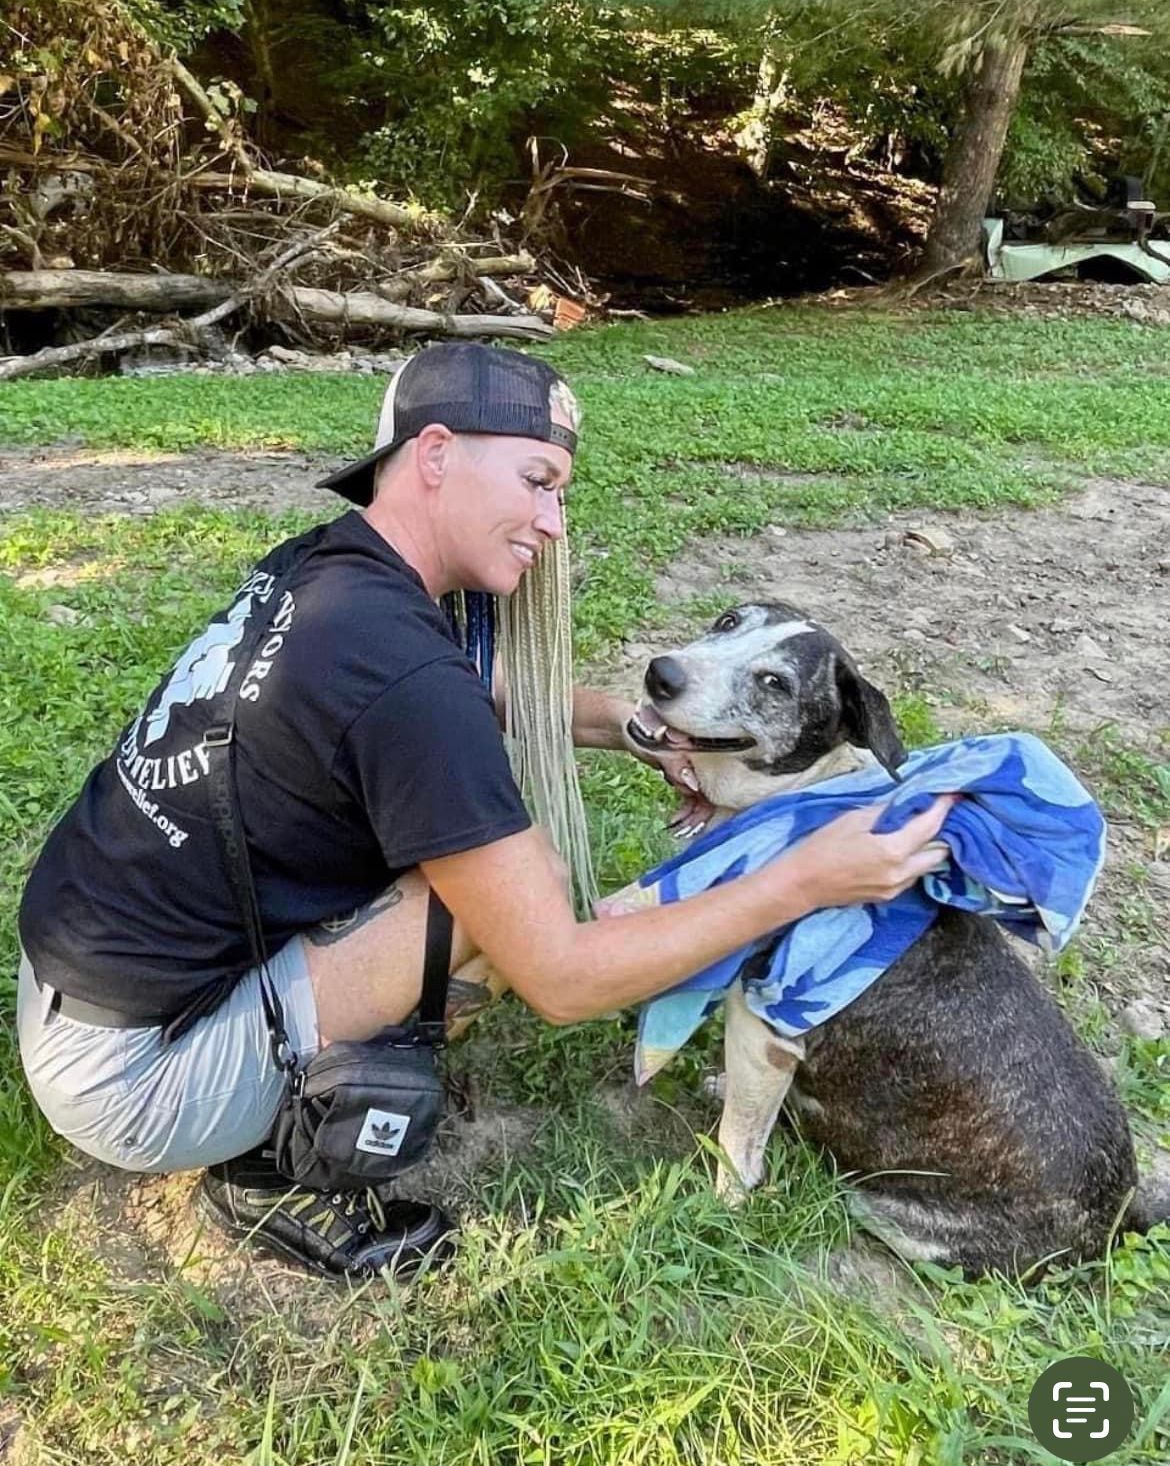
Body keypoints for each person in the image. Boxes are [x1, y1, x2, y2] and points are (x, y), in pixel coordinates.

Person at [15, 342, 951, 1281]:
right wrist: (803, 879)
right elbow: (565, 979)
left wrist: (632, 729)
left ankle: (292, 1049)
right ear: (433, 455)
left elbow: (477, 681)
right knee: (515, 895)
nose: (553, 521)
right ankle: (275, 1166)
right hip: (136, 1080)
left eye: (560, 493)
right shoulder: (409, 685)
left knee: (474, 871)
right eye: (537, 481)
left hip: (77, 989)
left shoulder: (334, 572)